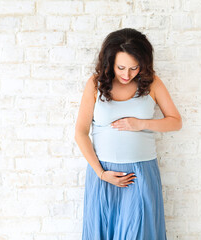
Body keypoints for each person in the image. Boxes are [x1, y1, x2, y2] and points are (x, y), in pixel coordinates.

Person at [74, 28, 182, 240]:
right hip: (104, 175)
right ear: (110, 63)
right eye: (121, 67)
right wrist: (101, 173)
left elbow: (175, 122)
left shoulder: (152, 83)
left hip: (140, 174)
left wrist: (141, 123)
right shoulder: (95, 84)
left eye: (134, 68)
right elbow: (80, 132)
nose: (127, 75)